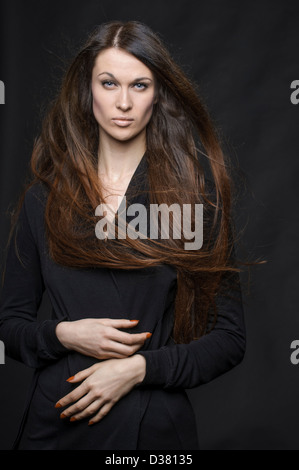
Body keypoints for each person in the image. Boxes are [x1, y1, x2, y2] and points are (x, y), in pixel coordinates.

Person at [0, 20, 246, 450]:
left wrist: (138, 370)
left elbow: (228, 340)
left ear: (158, 94)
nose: (123, 102)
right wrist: (63, 334)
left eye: (140, 85)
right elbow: (10, 325)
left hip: (151, 432)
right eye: (109, 83)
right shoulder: (43, 201)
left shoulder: (192, 204)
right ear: (87, 89)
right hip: (56, 424)